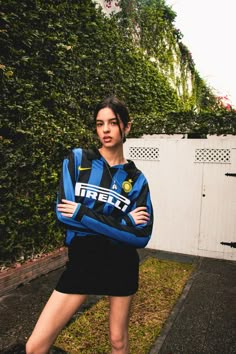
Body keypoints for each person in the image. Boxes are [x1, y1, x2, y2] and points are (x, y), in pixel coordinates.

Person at [26, 96, 153, 354]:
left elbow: (141, 236)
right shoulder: (77, 160)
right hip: (84, 261)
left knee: (118, 341)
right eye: (99, 123)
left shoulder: (137, 180)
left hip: (121, 264)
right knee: (35, 346)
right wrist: (124, 222)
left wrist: (83, 214)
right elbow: (64, 214)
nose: (105, 130)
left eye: (112, 123)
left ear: (126, 127)